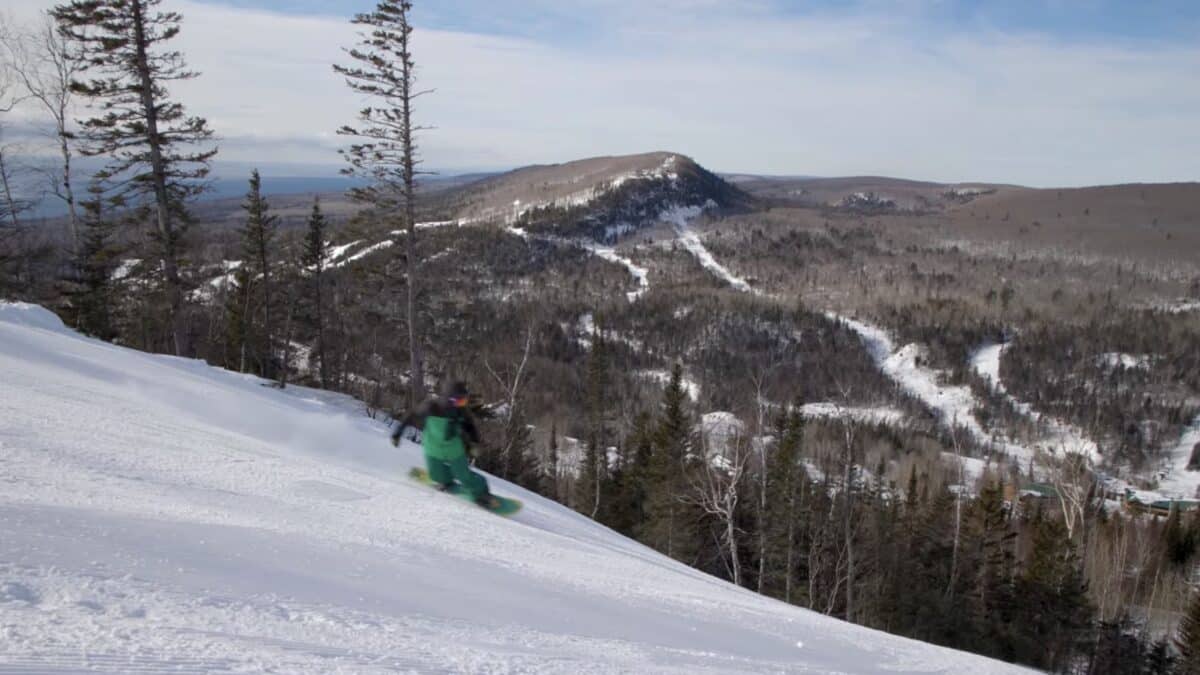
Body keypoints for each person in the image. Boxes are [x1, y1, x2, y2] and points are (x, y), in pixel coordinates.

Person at [392, 380, 498, 508]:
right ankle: (446, 480)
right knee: (435, 475)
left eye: (464, 401)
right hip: (433, 447)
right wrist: (397, 434)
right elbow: (411, 416)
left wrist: (474, 443)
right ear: (448, 399)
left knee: (463, 475)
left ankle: (481, 493)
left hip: (454, 449)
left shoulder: (461, 411)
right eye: (459, 401)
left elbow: (470, 426)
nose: (461, 405)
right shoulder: (431, 407)